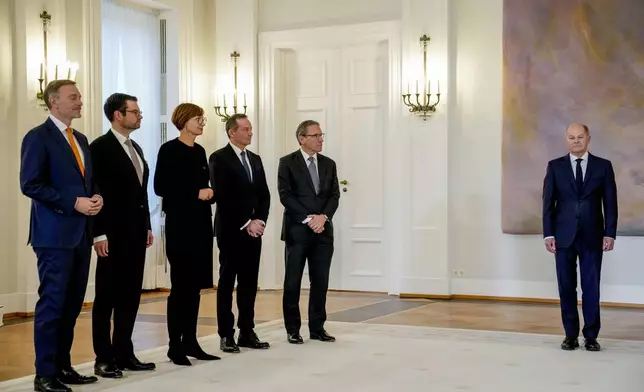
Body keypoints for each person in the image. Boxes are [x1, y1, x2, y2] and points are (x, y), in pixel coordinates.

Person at [20, 79, 102, 392]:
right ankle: (44, 374)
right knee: (52, 304)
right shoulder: (38, 137)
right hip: (54, 235)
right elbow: (30, 184)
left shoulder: (80, 138)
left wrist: (96, 197)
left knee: (72, 305)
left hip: (81, 233)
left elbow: (88, 182)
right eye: (74, 97)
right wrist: (73, 202)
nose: (80, 101)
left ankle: (64, 366)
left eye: (80, 96)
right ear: (54, 102)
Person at [90, 93, 155, 378]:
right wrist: (99, 233)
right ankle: (103, 357)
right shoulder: (100, 148)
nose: (140, 116)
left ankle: (124, 351)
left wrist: (148, 226)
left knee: (130, 295)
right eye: (135, 111)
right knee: (106, 297)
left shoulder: (137, 147)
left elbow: (141, 194)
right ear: (118, 114)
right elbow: (96, 191)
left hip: (136, 233)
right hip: (111, 235)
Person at [542, 122, 618, 352]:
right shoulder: (555, 167)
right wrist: (549, 234)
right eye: (571, 137)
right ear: (566, 140)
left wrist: (610, 233)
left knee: (591, 287)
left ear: (588, 138)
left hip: (593, 236)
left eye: (580, 137)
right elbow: (547, 203)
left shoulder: (603, 166)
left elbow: (611, 203)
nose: (576, 141)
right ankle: (570, 335)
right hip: (563, 237)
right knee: (566, 287)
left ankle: (591, 336)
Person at [153, 103, 219, 366]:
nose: (202, 123)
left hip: (201, 224)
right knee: (181, 287)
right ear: (183, 120)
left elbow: (201, 186)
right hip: (180, 226)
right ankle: (174, 345)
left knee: (195, 288)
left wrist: (209, 193)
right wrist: (196, 193)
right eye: (198, 118)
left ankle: (190, 340)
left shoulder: (201, 151)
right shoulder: (169, 150)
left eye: (203, 119)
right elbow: (161, 187)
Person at [209, 113, 271, 353]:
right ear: (232, 132)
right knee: (227, 283)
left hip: (254, 232)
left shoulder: (254, 159)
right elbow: (223, 197)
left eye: (251, 128)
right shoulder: (219, 158)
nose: (250, 132)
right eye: (245, 129)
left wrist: (260, 221)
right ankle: (226, 334)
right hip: (232, 230)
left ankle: (247, 331)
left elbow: (263, 194)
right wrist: (247, 222)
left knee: (249, 282)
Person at [277, 120, 340, 344]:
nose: (320, 139)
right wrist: (309, 219)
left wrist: (323, 217)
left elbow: (334, 195)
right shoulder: (287, 163)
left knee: (320, 281)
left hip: (323, 231)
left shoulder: (329, 164)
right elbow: (286, 196)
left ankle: (317, 327)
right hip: (297, 231)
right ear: (302, 138)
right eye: (315, 135)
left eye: (321, 135)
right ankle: (292, 329)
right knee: (292, 282)